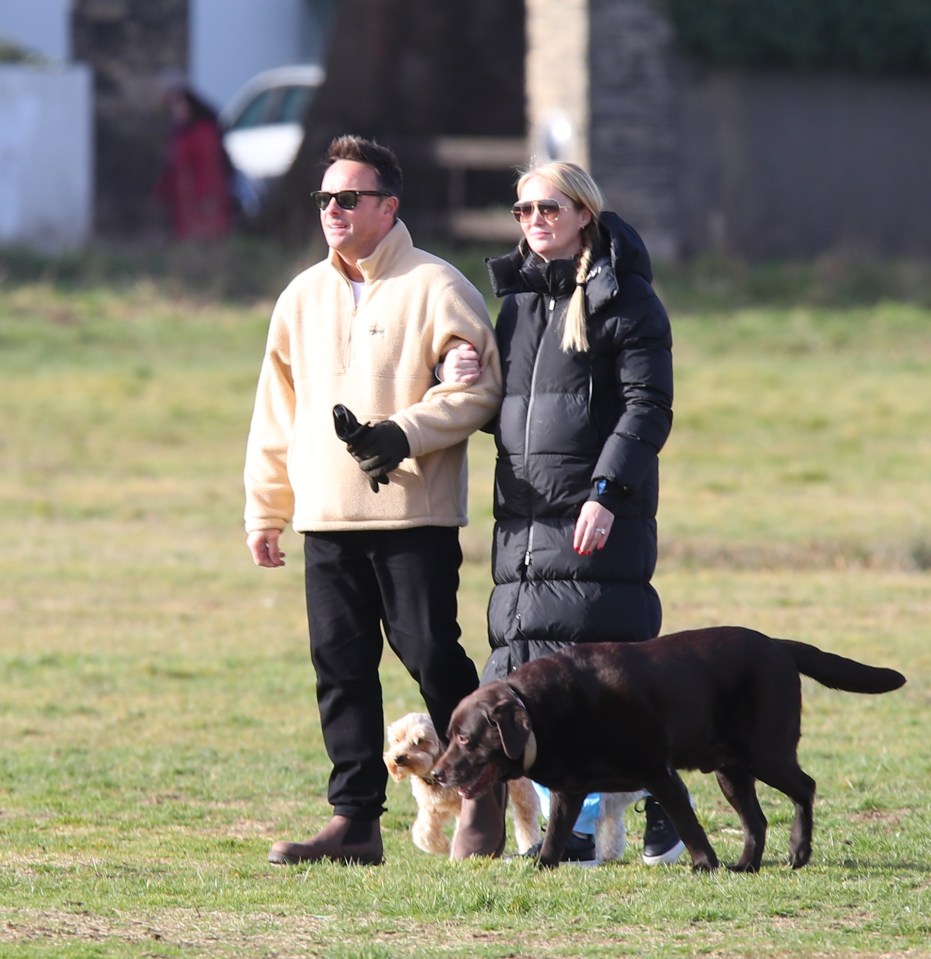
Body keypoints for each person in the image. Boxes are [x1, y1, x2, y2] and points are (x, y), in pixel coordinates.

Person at [243, 135, 503, 865]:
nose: (333, 209)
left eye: (348, 197)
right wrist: (266, 508)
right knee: (340, 666)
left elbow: (478, 390)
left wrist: (401, 433)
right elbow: (277, 412)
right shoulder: (299, 295)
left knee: (428, 651)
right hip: (324, 518)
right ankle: (354, 820)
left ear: (387, 206)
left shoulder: (438, 285)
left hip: (411, 516)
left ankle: (480, 792)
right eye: (325, 197)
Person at [443, 161, 683, 865]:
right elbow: (511, 411)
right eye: (521, 211)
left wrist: (606, 492)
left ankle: (666, 813)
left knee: (604, 676)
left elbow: (648, 407)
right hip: (520, 523)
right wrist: (454, 375)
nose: (533, 221)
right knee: (532, 671)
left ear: (583, 212)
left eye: (547, 207)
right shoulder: (518, 304)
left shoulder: (628, 300)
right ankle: (569, 828)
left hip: (594, 515)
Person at [155, 82, 232, 240]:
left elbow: (209, 167)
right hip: (184, 201)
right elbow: (173, 166)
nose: (176, 111)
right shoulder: (180, 133)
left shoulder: (204, 132)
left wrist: (207, 196)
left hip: (202, 200)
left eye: (180, 106)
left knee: (205, 238)